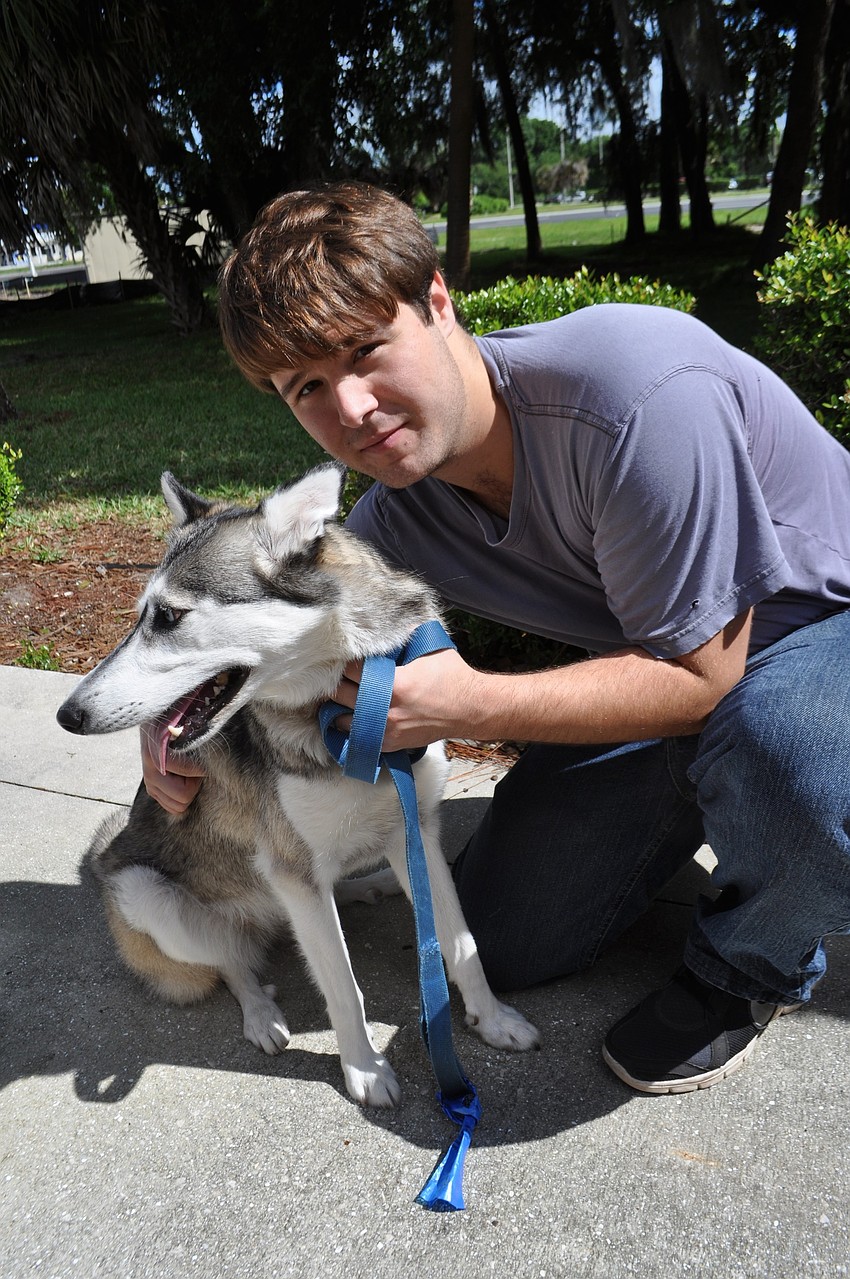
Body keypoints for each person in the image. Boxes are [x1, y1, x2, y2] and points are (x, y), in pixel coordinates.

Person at [143, 181, 850, 1095]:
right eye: (307, 386)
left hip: (814, 630)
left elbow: (707, 678)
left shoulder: (637, 398)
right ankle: (716, 790)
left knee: (783, 756)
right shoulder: (395, 518)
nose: (351, 407)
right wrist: (172, 724)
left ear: (437, 300)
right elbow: (284, 625)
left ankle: (751, 962)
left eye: (366, 349)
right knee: (500, 940)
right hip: (669, 675)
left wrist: (468, 701)